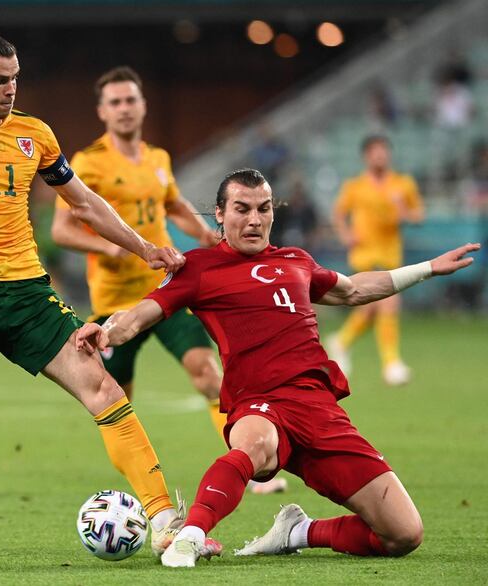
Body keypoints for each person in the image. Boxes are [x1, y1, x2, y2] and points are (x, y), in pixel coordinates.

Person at [0, 13, 219, 558]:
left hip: (29, 295)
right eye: (1, 80)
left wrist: (143, 247)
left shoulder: (35, 134)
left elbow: (86, 204)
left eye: (16, 78)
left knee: (105, 390)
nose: (11, 89)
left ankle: (164, 520)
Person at [76, 168, 479, 567]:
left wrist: (427, 268)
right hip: (259, 402)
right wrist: (106, 332)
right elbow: (138, 315)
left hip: (320, 410)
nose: (254, 219)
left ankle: (296, 532)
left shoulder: (296, 261)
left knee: (403, 534)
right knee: (253, 446)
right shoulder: (198, 268)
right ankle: (190, 537)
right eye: (242, 209)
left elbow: (354, 289)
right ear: (219, 213)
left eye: (263, 209)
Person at [51, 66, 286, 495]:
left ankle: (248, 464)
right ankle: (139, 485)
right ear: (103, 111)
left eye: (131, 100)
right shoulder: (88, 163)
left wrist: (202, 234)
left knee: (207, 374)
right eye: (116, 102)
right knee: (115, 401)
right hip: (115, 304)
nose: (125, 109)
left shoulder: (157, 160)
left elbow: (174, 204)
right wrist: (109, 248)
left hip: (167, 290)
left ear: (143, 106)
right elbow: (61, 230)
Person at [328, 136, 425, 385]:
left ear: (389, 155)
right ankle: (391, 364)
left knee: (371, 307)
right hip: (365, 253)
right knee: (390, 301)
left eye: (383, 152)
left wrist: (403, 210)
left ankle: (341, 342)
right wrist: (346, 235)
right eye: (374, 152)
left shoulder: (403, 184)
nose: (379, 156)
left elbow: (418, 216)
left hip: (391, 253)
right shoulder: (355, 186)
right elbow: (338, 214)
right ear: (366, 157)